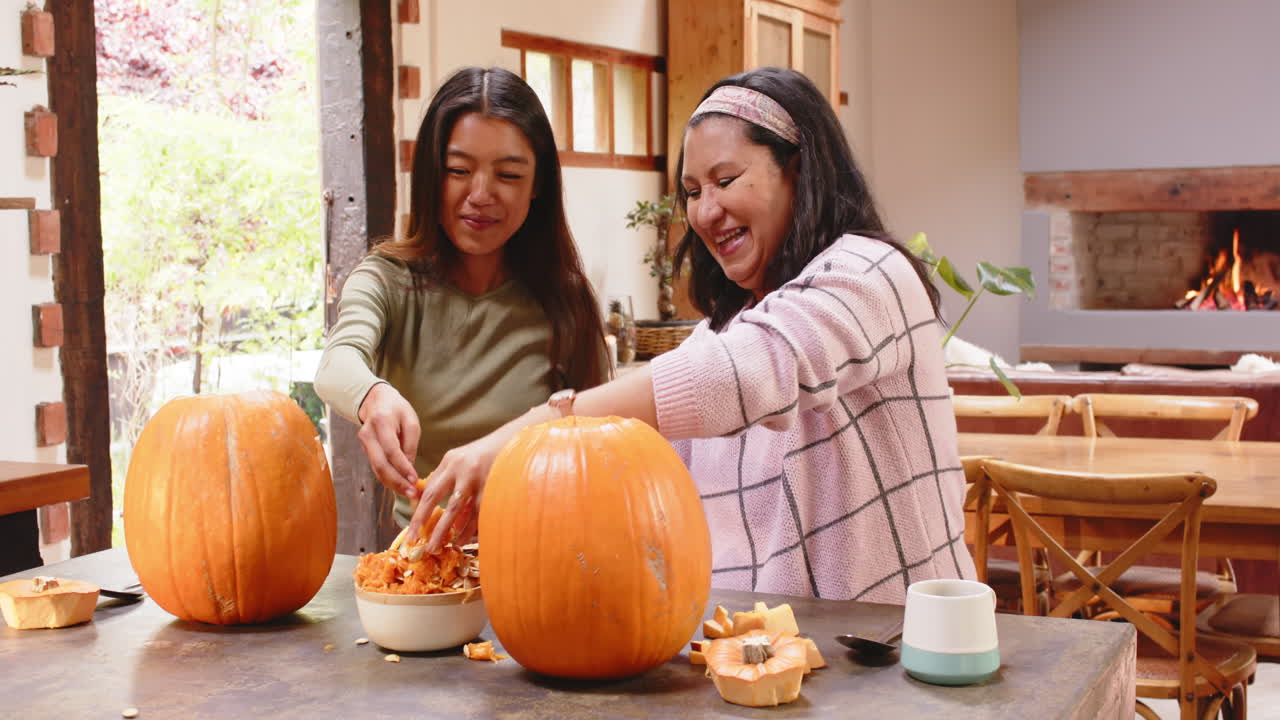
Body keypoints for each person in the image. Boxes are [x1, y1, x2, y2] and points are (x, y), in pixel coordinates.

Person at [411, 67, 976, 603]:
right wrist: (519, 497)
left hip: (903, 661)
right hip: (763, 668)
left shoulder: (870, 273)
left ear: (799, 171)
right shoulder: (718, 335)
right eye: (692, 191)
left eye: (725, 180)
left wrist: (533, 432)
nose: (705, 212)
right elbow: (639, 488)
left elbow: (756, 370)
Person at [314, 66, 609, 529]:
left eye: (509, 175)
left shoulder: (564, 301)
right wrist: (374, 396)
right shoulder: (387, 280)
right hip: (423, 567)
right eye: (458, 171)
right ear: (432, 176)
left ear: (537, 188)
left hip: (542, 554)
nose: (481, 194)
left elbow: (601, 444)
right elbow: (336, 363)